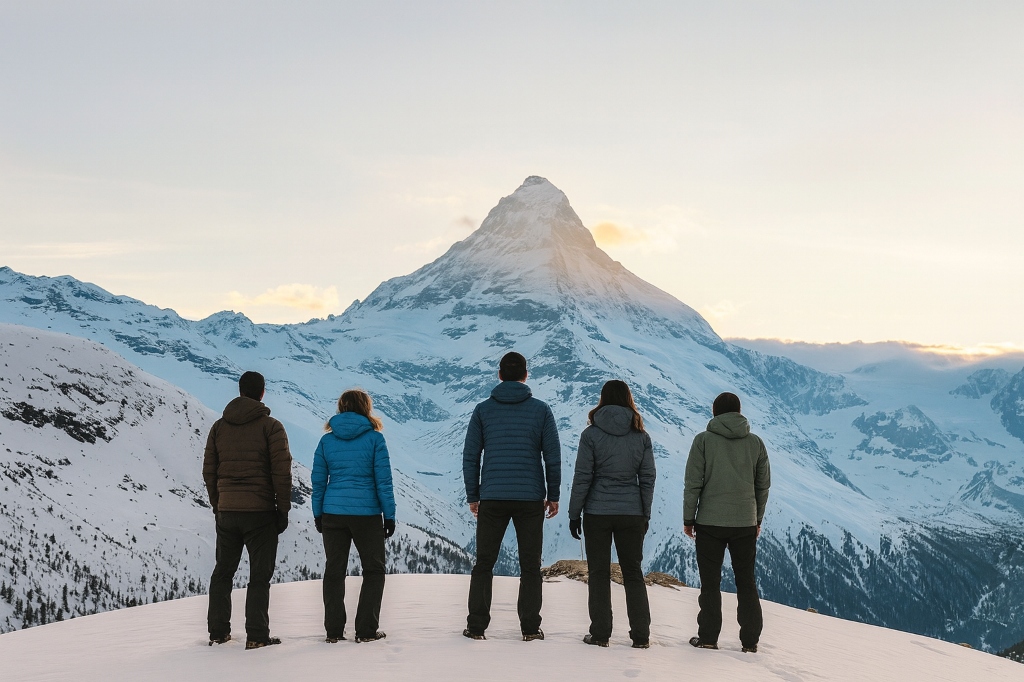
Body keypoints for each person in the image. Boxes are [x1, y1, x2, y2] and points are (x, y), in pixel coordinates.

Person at [462, 351, 561, 641]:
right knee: (531, 565)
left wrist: (473, 495)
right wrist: (553, 494)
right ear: (526, 376)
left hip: (492, 495)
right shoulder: (541, 410)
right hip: (530, 497)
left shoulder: (483, 410)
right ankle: (530, 628)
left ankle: (476, 626)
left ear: (499, 374)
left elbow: (471, 456)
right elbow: (552, 458)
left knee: (484, 563)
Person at [203, 371, 292, 649]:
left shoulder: (219, 427)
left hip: (228, 511)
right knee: (259, 577)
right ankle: (256, 636)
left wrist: (219, 503)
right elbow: (282, 472)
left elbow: (209, 471)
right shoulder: (271, 427)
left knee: (223, 572)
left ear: (240, 391)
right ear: (262, 393)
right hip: (260, 513)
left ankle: (218, 633)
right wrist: (282, 509)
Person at [568, 380, 656, 649]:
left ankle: (600, 634)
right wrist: (644, 513)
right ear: (629, 399)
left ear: (602, 400)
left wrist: (574, 513)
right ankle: (641, 636)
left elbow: (583, 476)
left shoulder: (591, 434)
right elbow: (648, 478)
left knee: (598, 573)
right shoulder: (640, 435)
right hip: (631, 512)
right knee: (633, 573)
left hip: (597, 511)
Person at [683, 392, 771, 653]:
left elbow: (693, 484)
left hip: (710, 522)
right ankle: (750, 642)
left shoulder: (703, 441)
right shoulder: (755, 443)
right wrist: (757, 518)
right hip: (744, 522)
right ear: (739, 412)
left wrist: (689, 518)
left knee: (710, 583)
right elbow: (762, 486)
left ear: (715, 413)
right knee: (746, 581)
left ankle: (709, 638)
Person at [311, 389, 396, 644]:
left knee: (334, 571)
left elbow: (318, 481)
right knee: (374, 570)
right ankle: (366, 630)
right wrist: (389, 516)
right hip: (366, 514)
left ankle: (333, 631)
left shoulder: (326, 441)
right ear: (365, 408)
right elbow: (384, 482)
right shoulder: (374, 439)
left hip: (333, 513)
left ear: (341, 408)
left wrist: (318, 513)